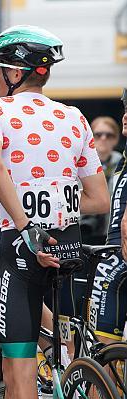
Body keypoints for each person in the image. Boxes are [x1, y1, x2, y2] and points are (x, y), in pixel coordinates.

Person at [0, 26, 109, 399]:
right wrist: (54, 197)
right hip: (69, 243)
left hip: (24, 247)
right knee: (66, 350)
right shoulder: (73, 116)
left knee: (21, 370)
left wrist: (24, 219)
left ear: (14, 73)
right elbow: (98, 198)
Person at [92, 90, 127, 345]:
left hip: (118, 258)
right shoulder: (122, 159)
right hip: (106, 249)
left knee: (101, 352)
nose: (125, 116)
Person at [80, 116, 122, 243]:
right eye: (98, 135)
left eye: (109, 135)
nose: (103, 138)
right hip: (83, 230)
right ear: (91, 137)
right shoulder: (80, 164)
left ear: (116, 139)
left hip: (114, 231)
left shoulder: (123, 164)